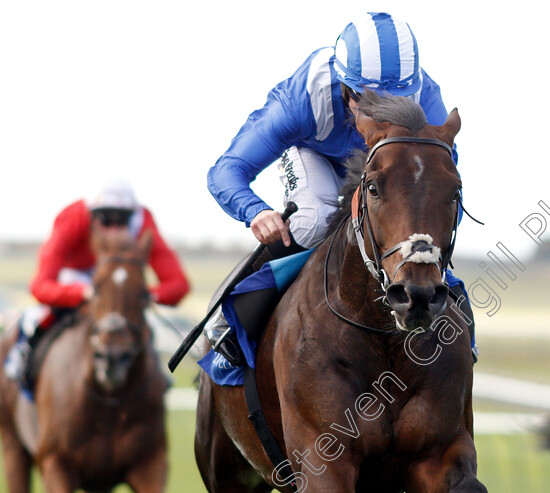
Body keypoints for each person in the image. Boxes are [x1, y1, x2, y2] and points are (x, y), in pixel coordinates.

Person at [205, 12, 477, 361]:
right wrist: (255, 211)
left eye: (396, 105)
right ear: (345, 86)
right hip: (315, 157)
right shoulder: (302, 100)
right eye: (371, 103)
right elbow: (227, 171)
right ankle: (237, 310)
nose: (384, 118)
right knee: (312, 219)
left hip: (386, 169)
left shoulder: (428, 101)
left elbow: (445, 189)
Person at [3, 179, 190, 382]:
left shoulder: (144, 221)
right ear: (92, 214)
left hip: (120, 286)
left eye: (122, 219)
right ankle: (24, 357)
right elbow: (40, 286)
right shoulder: (72, 218)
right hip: (76, 278)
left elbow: (178, 284)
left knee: (137, 320)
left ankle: (156, 373)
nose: (114, 228)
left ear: (133, 215)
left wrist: (146, 295)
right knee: (39, 316)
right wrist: (83, 292)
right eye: (106, 219)